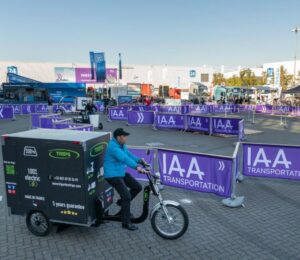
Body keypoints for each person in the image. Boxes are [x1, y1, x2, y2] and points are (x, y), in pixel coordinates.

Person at [104, 128, 144, 231]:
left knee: (137, 187)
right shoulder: (113, 147)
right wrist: (137, 167)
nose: (126, 138)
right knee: (126, 196)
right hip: (112, 175)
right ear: (118, 137)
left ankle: (122, 203)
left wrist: (140, 161)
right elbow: (124, 158)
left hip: (120, 172)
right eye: (124, 136)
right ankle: (126, 222)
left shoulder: (122, 145)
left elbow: (129, 155)